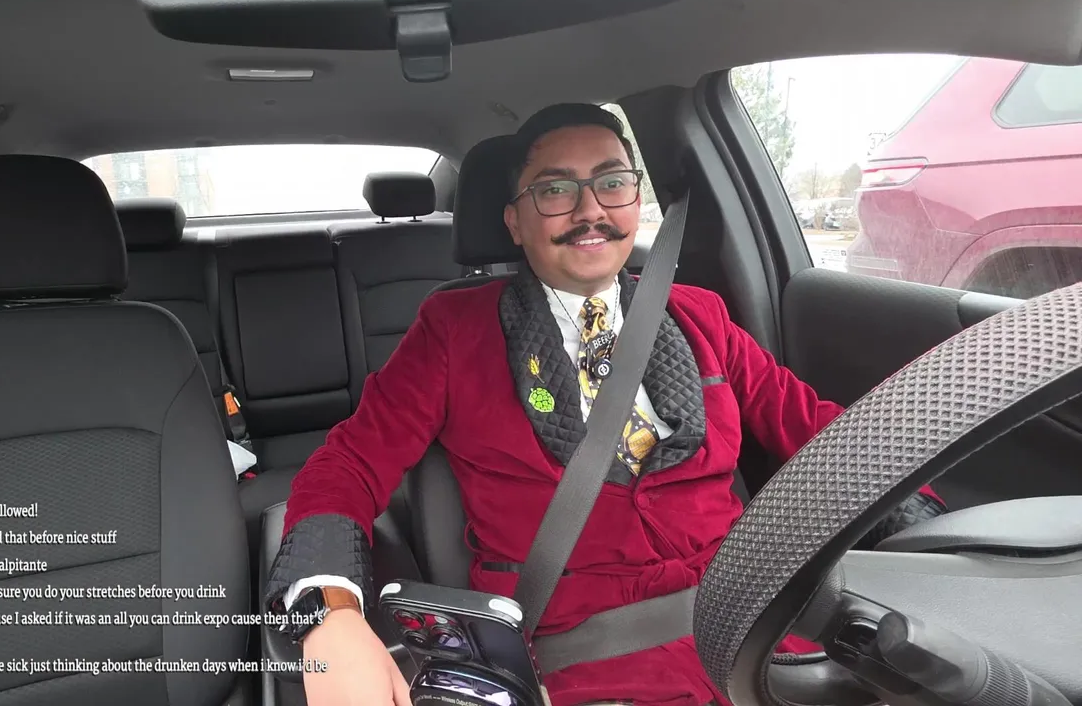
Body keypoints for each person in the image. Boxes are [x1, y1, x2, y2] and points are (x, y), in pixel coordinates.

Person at [263, 103, 946, 706]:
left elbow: (824, 434)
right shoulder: (453, 332)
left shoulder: (699, 315)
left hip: (762, 631)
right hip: (586, 665)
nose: (590, 209)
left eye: (612, 182)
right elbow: (348, 465)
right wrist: (331, 614)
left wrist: (930, 533)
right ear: (515, 221)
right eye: (555, 189)